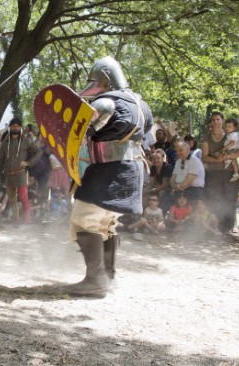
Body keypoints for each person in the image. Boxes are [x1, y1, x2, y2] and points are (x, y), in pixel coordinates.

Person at [63, 56, 153, 298]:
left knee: (84, 218)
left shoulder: (106, 102)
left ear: (104, 79)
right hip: (132, 169)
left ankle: (95, 279)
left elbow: (83, 131)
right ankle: (108, 276)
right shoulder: (141, 104)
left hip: (109, 168)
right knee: (106, 223)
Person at [0, 117, 42, 223]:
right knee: (12, 199)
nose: (15, 128)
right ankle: (16, 220)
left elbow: (39, 152)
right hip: (8, 174)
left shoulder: (26, 141)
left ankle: (26, 221)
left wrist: (28, 163)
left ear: (20, 128)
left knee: (24, 198)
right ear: (10, 127)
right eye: (13, 126)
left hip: (20, 174)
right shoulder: (5, 143)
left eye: (17, 126)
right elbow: (1, 159)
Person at [201, 111, 239, 233]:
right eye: (213, 120)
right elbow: (204, 157)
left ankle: (229, 226)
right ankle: (216, 225)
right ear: (211, 122)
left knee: (230, 198)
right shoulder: (207, 137)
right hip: (213, 173)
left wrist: (228, 157)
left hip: (230, 172)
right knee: (215, 198)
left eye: (218, 119)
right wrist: (217, 159)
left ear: (222, 121)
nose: (215, 122)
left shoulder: (229, 135)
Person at [222, 118, 239, 182]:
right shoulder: (231, 134)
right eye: (226, 126)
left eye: (229, 127)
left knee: (232, 161)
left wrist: (225, 148)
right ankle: (236, 173)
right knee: (233, 161)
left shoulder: (234, 134)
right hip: (231, 150)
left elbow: (232, 143)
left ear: (235, 128)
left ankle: (236, 174)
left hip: (232, 150)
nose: (227, 128)